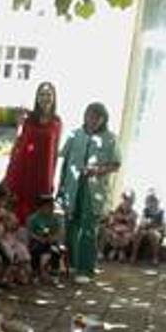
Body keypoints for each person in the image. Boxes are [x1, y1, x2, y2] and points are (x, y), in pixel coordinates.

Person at [57, 102, 121, 284]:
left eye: (97, 117)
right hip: (72, 186)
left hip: (94, 190)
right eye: (89, 116)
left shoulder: (110, 139)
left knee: (88, 228)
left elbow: (116, 164)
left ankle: (85, 269)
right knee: (71, 224)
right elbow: (64, 160)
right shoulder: (75, 134)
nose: (92, 120)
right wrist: (61, 186)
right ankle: (71, 264)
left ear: (103, 119)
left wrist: (98, 170)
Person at [5, 82, 62, 225]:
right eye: (42, 94)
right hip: (25, 169)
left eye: (48, 94)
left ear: (54, 98)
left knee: (38, 210)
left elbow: (55, 152)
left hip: (43, 172)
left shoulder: (57, 122)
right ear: (37, 97)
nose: (45, 98)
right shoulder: (29, 120)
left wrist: (52, 178)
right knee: (18, 209)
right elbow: (19, 145)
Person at [27, 195, 63, 283]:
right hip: (38, 241)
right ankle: (35, 273)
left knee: (56, 251)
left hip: (51, 241)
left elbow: (59, 232)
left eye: (52, 206)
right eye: (48, 206)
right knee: (35, 250)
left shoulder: (54, 218)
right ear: (41, 207)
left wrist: (53, 238)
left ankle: (54, 273)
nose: (51, 208)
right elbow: (30, 232)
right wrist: (39, 238)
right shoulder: (33, 218)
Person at [131, 190, 165, 265]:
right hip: (146, 230)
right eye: (149, 201)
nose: (151, 203)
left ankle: (155, 257)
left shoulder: (161, 212)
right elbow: (141, 222)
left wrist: (154, 229)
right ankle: (133, 255)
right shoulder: (145, 211)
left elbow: (162, 227)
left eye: (153, 201)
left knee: (153, 234)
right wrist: (143, 225)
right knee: (139, 232)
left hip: (157, 232)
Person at [104, 190, 138, 262]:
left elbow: (132, 227)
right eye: (125, 201)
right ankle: (115, 250)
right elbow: (112, 223)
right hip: (116, 230)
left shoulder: (134, 213)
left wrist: (123, 227)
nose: (126, 203)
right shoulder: (116, 211)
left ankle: (120, 251)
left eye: (128, 202)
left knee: (127, 236)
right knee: (111, 233)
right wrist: (115, 228)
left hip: (126, 232)